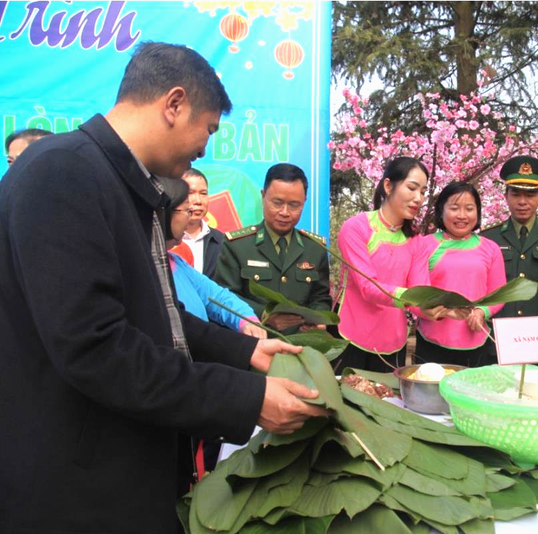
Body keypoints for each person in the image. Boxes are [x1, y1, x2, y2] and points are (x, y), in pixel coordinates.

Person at [0, 42, 328, 534]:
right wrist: (245, 397)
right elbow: (97, 348)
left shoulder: (121, 183)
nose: (205, 148)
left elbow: (158, 311)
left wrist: (246, 353)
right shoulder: (63, 173)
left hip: (124, 463)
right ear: (174, 104)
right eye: (208, 129)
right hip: (76, 485)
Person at [335, 156, 455, 372]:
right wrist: (414, 299)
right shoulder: (356, 228)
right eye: (411, 188)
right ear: (388, 186)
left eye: (422, 192)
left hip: (393, 343)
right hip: (350, 337)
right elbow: (368, 287)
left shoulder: (415, 240)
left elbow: (420, 291)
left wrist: (435, 308)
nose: (418, 198)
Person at [214, 163, 331, 333]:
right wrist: (264, 315)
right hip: (253, 343)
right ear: (263, 196)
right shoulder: (237, 245)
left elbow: (320, 296)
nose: (284, 212)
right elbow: (225, 297)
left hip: (301, 345)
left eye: (294, 205)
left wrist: (319, 319)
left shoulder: (315, 248)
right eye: (277, 203)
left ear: (304, 202)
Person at [415, 181, 506, 368]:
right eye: (454, 208)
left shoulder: (490, 248)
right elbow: (414, 294)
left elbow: (499, 294)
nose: (462, 215)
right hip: (431, 343)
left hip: (476, 343)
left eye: (469, 208)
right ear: (441, 211)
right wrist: (432, 311)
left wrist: (483, 311)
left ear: (478, 212)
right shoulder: (424, 245)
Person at [163, 178, 265, 340]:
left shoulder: (175, 262)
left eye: (203, 193)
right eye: (186, 211)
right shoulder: (144, 264)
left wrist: (247, 320)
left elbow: (216, 296)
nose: (192, 212)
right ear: (166, 212)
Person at [481, 156, 538, 321]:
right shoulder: (488, 237)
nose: (522, 202)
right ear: (506, 196)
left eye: (530, 195)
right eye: (516, 194)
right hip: (499, 330)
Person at [180, 167, 225, 278]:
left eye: (203, 193)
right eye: (190, 193)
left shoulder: (222, 242)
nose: (198, 201)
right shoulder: (164, 240)